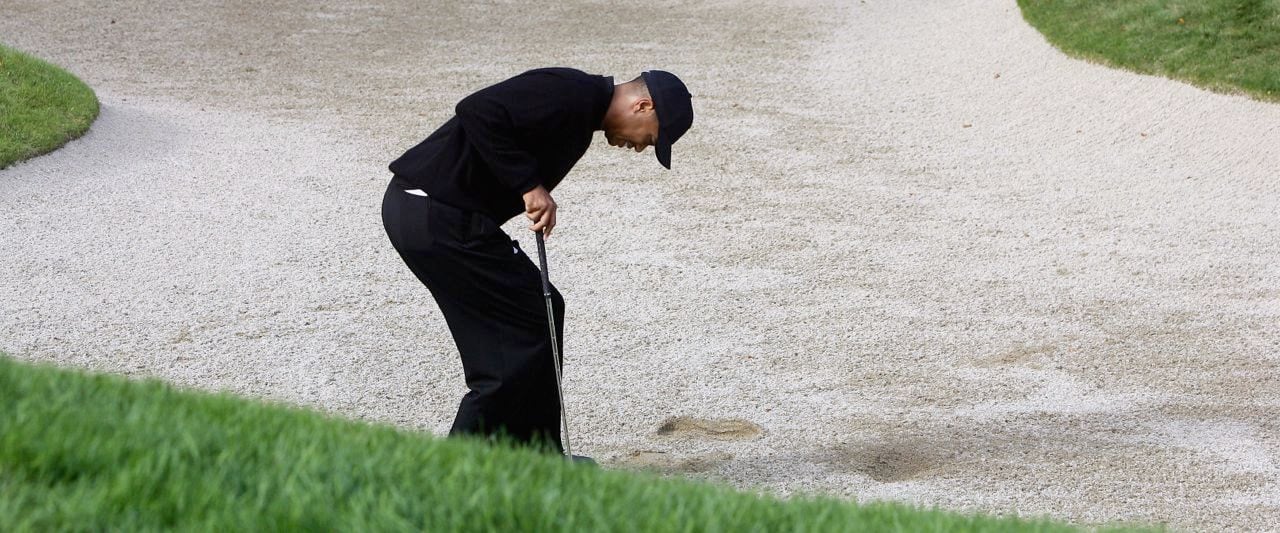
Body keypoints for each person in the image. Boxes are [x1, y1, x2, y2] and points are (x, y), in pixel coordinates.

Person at [380, 68, 694, 457]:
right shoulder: (573, 93)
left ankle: (539, 459)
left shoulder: (582, 113)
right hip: (435, 214)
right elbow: (477, 110)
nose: (643, 146)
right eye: (652, 136)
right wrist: (529, 186)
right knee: (506, 362)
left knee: (538, 315)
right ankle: (452, 477)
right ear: (642, 105)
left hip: (438, 217)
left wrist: (526, 185)